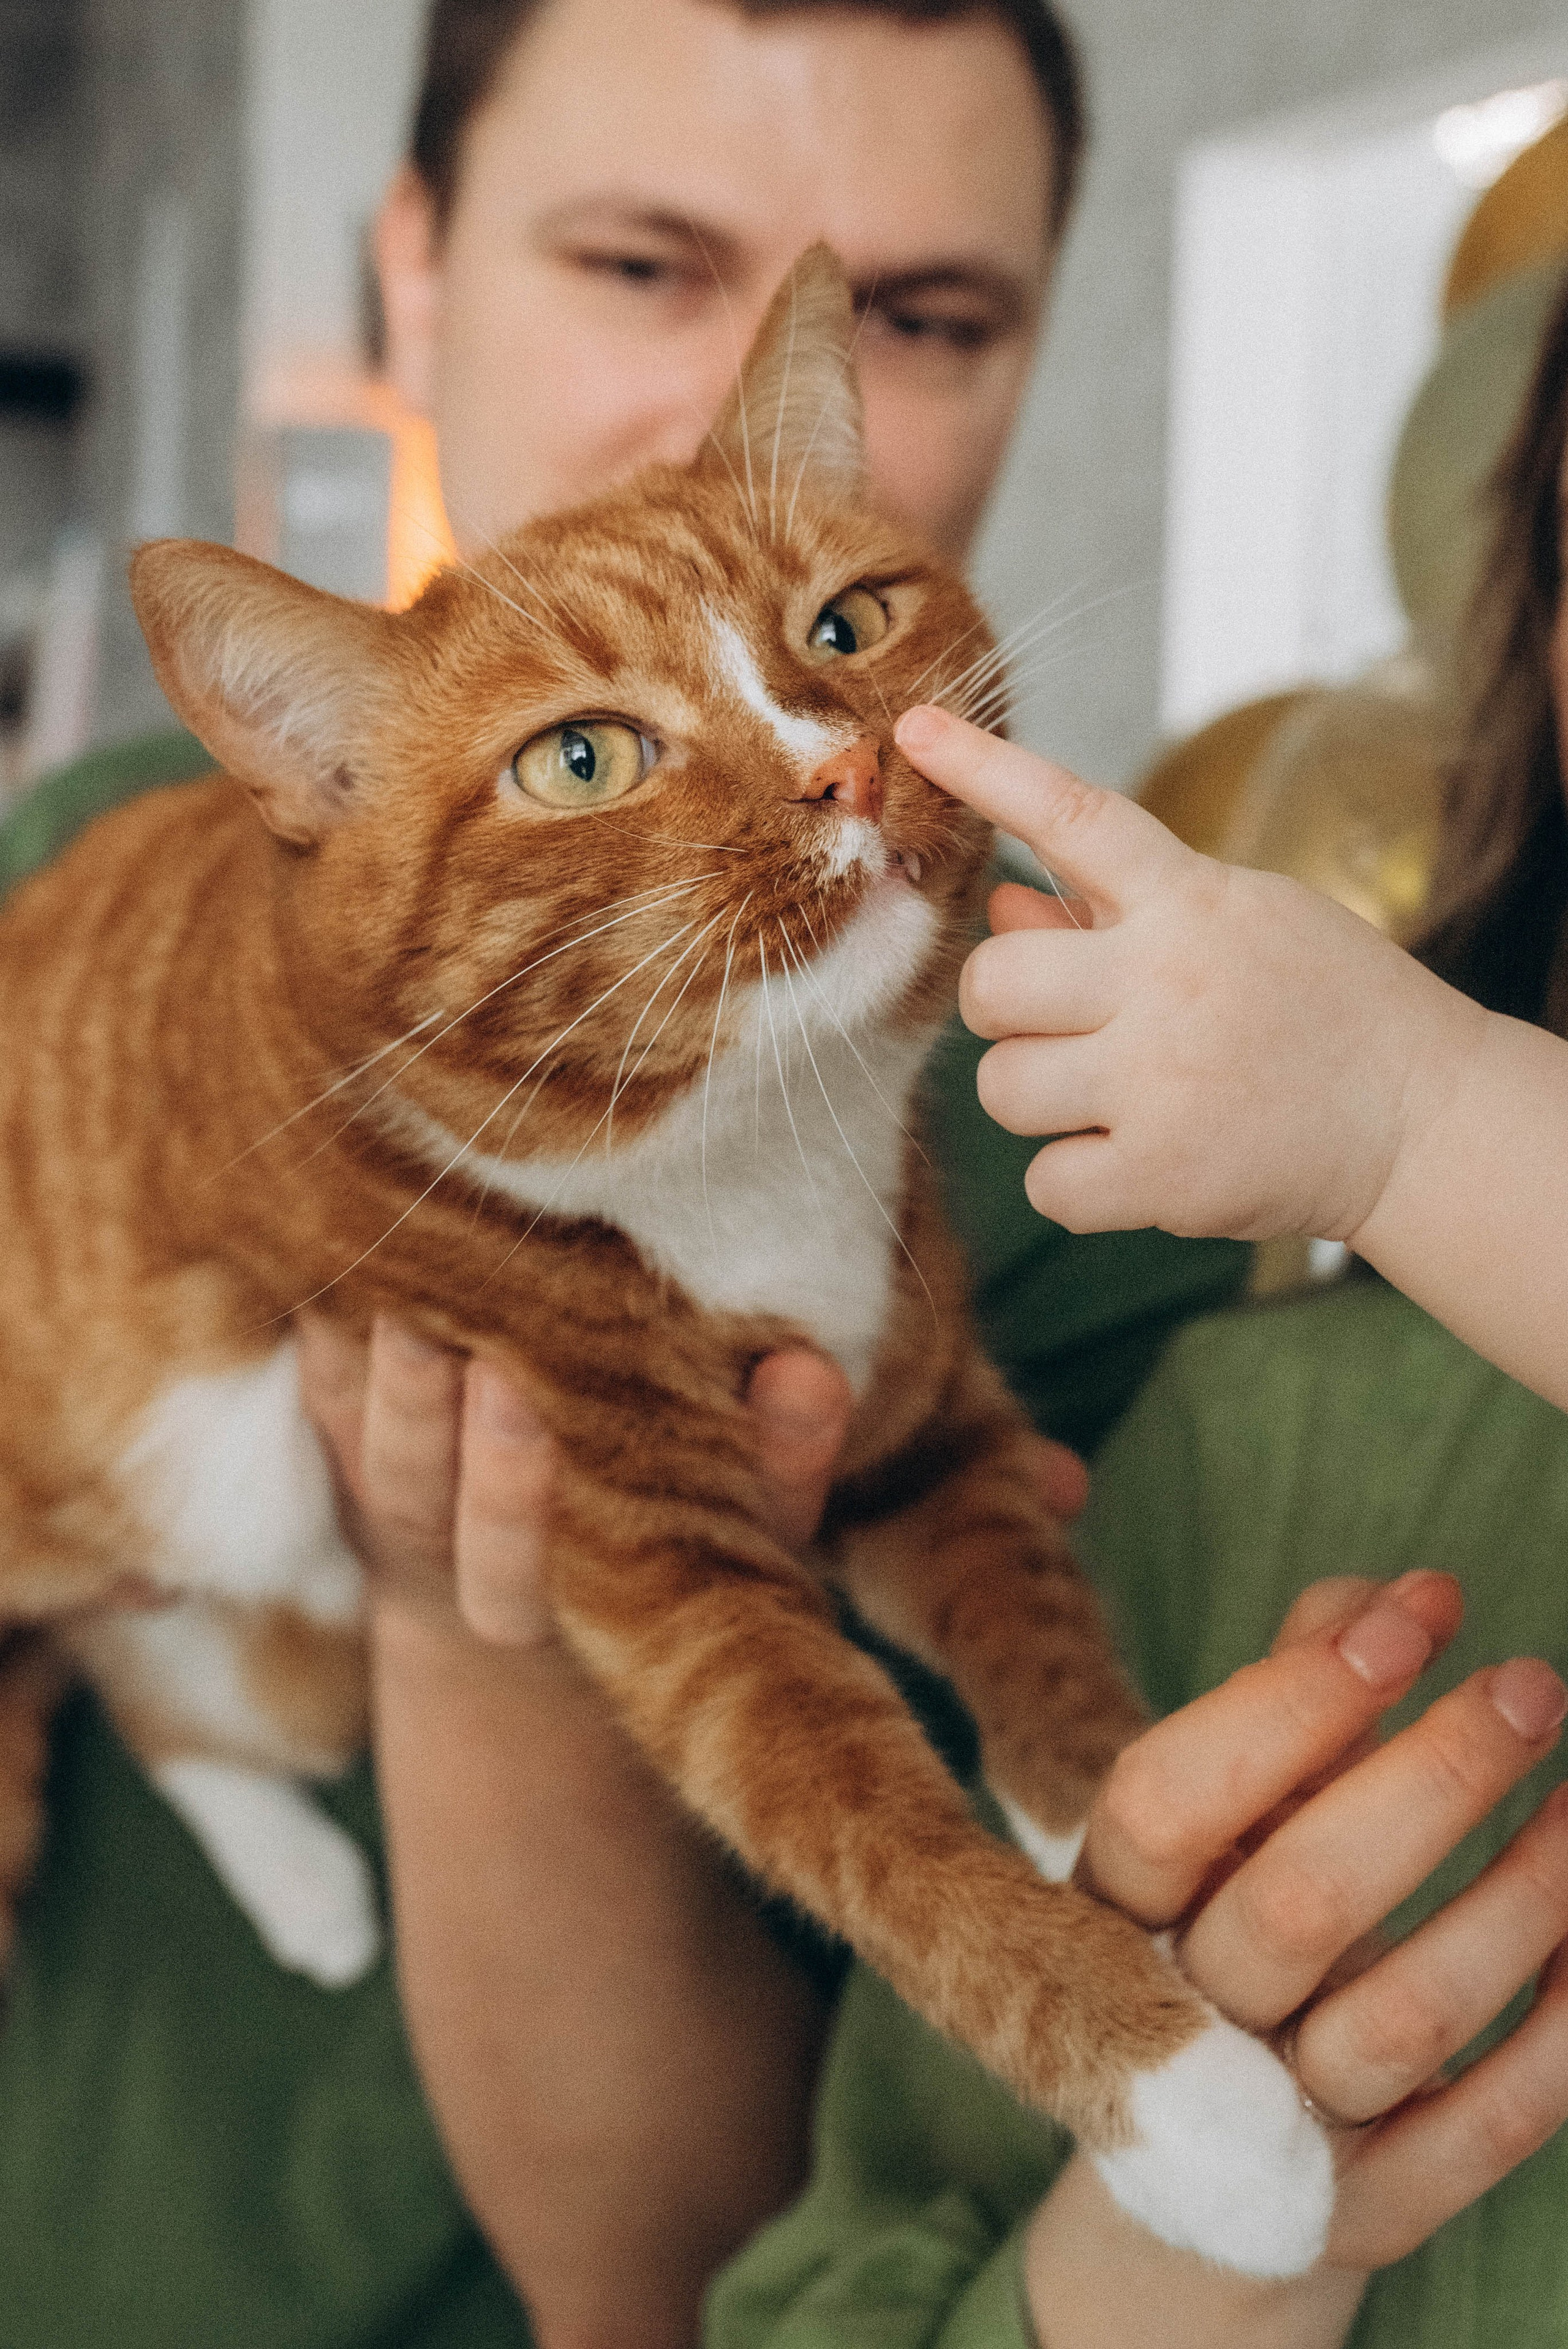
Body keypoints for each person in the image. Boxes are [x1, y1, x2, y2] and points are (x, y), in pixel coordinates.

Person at [1, 4, 1562, 2346]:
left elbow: (710, 2270)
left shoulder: (1152, 1159)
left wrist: (481, 1620)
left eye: (927, 315)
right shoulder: (96, 860)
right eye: (638, 263)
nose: (693, 427)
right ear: (411, 270)